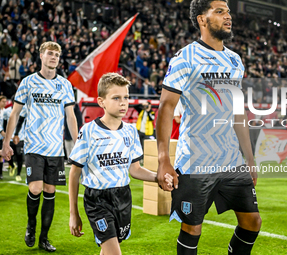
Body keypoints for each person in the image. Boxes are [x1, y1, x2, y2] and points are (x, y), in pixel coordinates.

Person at [156, 1, 261, 254]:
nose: (229, 16)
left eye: (228, 11)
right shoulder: (185, 57)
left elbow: (238, 113)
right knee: (192, 228)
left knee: (252, 222)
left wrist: (249, 157)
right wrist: (163, 160)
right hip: (196, 161)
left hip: (231, 160)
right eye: (220, 11)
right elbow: (166, 107)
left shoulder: (235, 60)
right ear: (202, 20)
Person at [68, 72, 173, 255]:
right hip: (98, 200)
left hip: (123, 196)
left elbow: (136, 170)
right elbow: (74, 173)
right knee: (114, 252)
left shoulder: (131, 132)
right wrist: (73, 213)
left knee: (110, 248)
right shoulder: (89, 131)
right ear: (101, 102)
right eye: (116, 98)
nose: (123, 102)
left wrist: (158, 178)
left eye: (126, 97)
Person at [1, 42, 79, 252]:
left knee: (50, 190)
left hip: (55, 148)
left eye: (57, 55)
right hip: (34, 145)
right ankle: (31, 225)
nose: (54, 57)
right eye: (50, 54)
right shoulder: (28, 82)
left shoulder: (64, 85)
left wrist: (78, 144)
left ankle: (44, 239)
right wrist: (6, 143)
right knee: (35, 188)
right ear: (41, 56)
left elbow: (70, 116)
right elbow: (15, 114)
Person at [0, 95, 7, 180]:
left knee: (1, 155)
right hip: (1, 134)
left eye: (5, 101)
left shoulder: (4, 111)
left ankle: (0, 173)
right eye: (3, 101)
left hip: (1, 137)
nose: (5, 103)